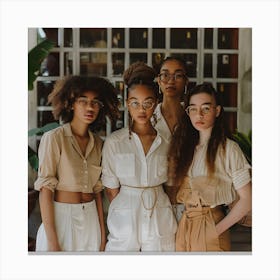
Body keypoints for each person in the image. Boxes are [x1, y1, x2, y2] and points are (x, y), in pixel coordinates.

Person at [34, 75, 120, 252]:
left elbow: (97, 192)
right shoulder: (54, 138)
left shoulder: (98, 144)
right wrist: (52, 241)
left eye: (96, 102)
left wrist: (102, 236)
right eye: (83, 101)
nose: (90, 107)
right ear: (70, 103)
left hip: (90, 221)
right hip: (61, 218)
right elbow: (45, 190)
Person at [101, 62, 177, 252]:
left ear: (156, 103)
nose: (141, 109)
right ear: (127, 103)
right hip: (125, 214)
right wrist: (128, 206)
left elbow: (171, 185)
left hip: (159, 212)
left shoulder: (167, 141)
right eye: (135, 103)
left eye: (147, 103)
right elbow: (111, 189)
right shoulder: (114, 142)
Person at [168, 83, 252, 251]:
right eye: (193, 109)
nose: (199, 114)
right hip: (184, 224)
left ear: (217, 111)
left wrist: (217, 230)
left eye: (206, 108)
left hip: (211, 223)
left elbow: (248, 199)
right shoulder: (184, 148)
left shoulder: (228, 148)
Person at [153, 56, 189, 222]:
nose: (170, 81)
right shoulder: (148, 119)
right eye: (165, 75)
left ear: (186, 81)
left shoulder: (193, 118)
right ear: (158, 81)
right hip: (156, 203)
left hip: (189, 202)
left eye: (178, 75)